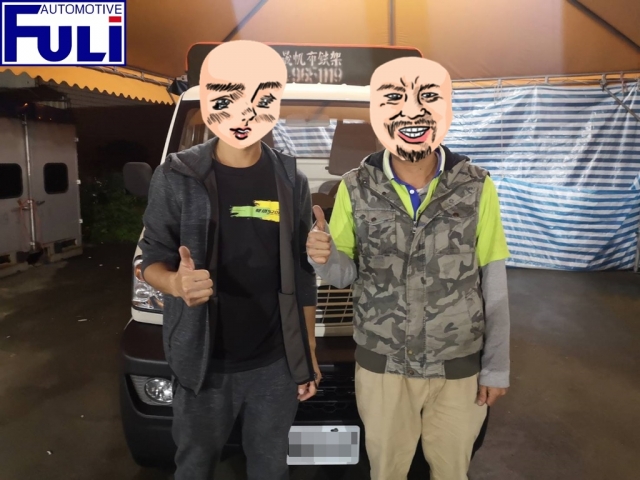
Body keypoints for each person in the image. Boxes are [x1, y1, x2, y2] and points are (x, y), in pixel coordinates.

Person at [306, 56, 511, 480]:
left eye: (428, 97)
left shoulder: (476, 185)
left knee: (452, 471)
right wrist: (321, 256)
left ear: (445, 109)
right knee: (386, 471)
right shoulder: (355, 187)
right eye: (395, 99)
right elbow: (344, 275)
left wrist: (496, 367)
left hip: (457, 368)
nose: (412, 112)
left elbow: (493, 282)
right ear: (378, 114)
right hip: (383, 368)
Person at [139, 40, 320, 480]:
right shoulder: (176, 176)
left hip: (274, 364)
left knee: (271, 467)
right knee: (195, 466)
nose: (243, 115)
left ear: (274, 104)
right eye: (226, 101)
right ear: (207, 102)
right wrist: (175, 284)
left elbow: (302, 274)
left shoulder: (290, 179)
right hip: (203, 363)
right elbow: (150, 260)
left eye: (260, 102)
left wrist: (307, 355)